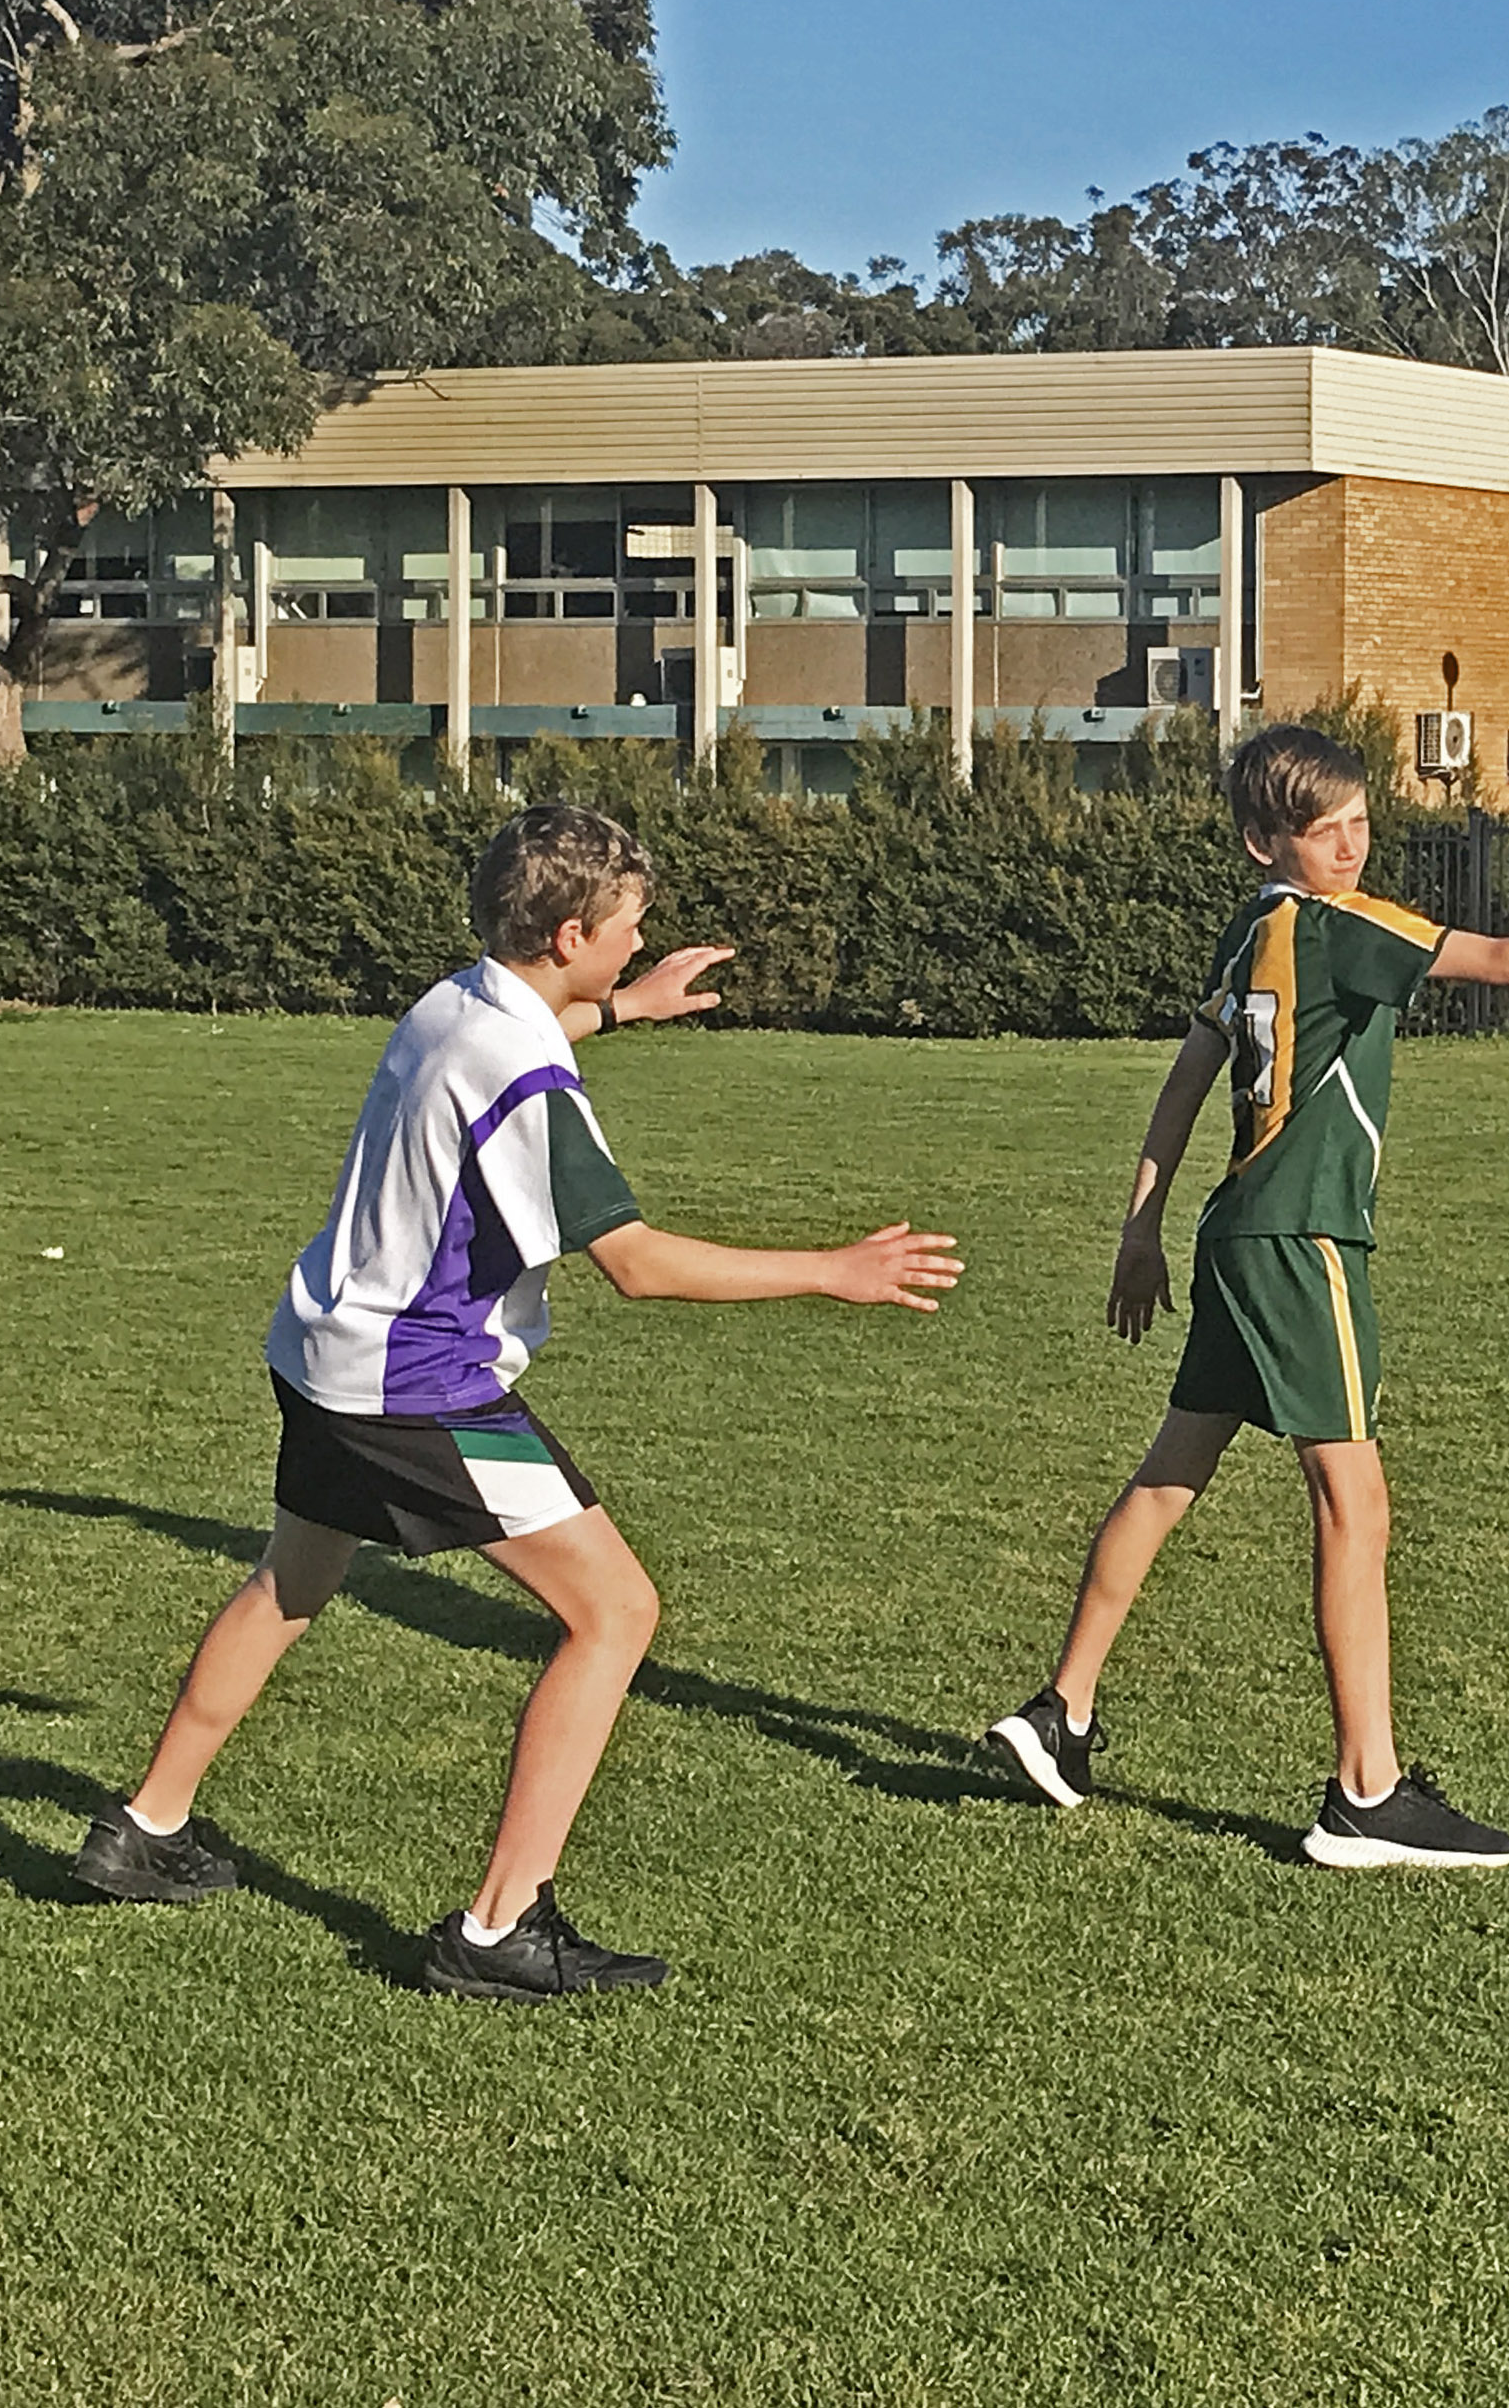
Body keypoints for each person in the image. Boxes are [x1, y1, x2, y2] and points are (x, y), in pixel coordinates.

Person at [75, 803, 963, 1998]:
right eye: (626, 932)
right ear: (563, 934)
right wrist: (830, 1272)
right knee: (616, 1613)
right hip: (416, 1384)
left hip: (324, 1349)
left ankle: (146, 1825)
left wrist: (622, 1011)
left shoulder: (453, 1000)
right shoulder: (530, 1074)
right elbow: (636, 1266)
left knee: (297, 1573)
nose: (639, 945)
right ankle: (498, 1927)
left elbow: (524, 1040)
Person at [987, 724, 1509, 1867]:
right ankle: (1366, 1792)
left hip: (1236, 1234)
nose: (1352, 846)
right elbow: (1502, 962)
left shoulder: (1250, 927)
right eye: (1325, 832)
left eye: (1361, 823)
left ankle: (1061, 1712)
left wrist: (1142, 1226)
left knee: (1169, 1474)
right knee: (1354, 1502)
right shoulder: (1336, 928)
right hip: (1303, 1241)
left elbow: (1187, 1075)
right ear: (1265, 841)